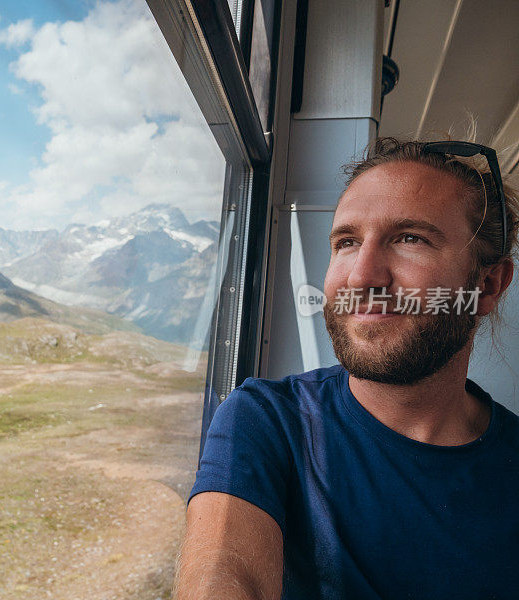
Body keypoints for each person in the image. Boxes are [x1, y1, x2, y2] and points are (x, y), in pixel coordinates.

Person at [176, 137, 519, 600]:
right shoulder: (267, 420)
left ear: (488, 283)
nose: (361, 276)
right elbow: (225, 576)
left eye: (410, 238)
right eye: (347, 242)